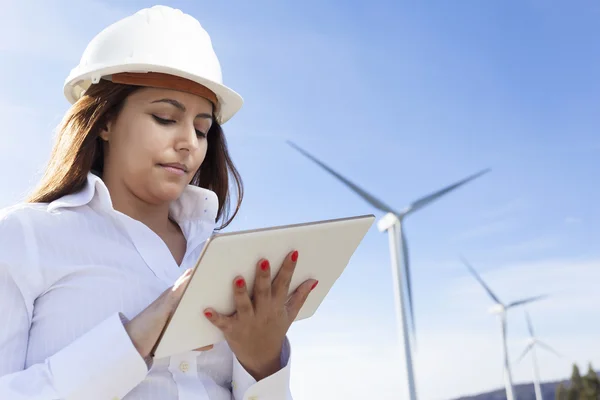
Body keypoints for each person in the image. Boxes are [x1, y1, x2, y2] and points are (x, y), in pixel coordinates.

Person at [0, 5, 318, 400]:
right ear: (104, 121)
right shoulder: (22, 236)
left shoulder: (221, 256)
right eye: (166, 118)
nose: (188, 142)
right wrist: (136, 338)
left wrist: (263, 364)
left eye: (202, 129)